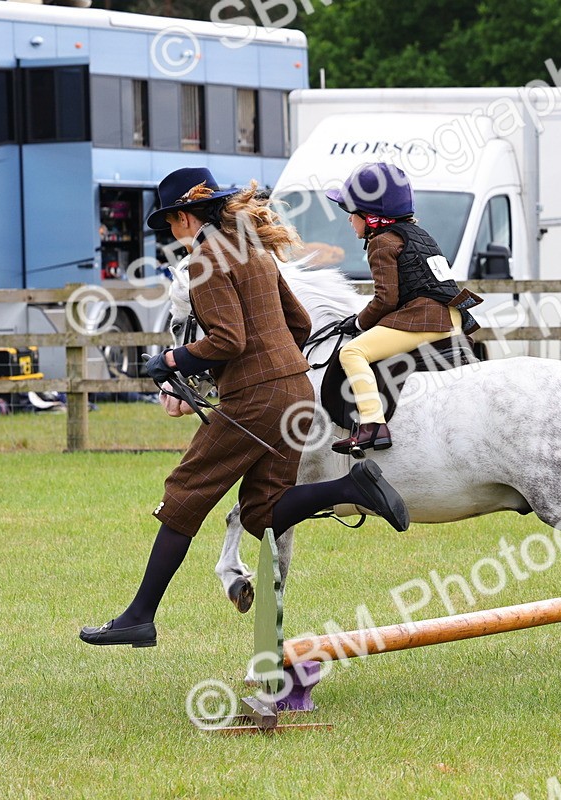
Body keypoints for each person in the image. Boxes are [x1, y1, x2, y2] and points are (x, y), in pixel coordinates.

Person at [80, 167, 410, 648]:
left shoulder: (204, 262)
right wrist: (271, 365)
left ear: (186, 217)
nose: (172, 233)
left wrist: (171, 359)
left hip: (256, 400)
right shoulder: (254, 251)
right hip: (295, 390)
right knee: (264, 511)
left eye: (170, 223)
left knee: (183, 495)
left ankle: (139, 617)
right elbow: (299, 323)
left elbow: (227, 340)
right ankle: (351, 486)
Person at [325, 162, 482, 454]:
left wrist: (358, 324)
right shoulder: (419, 234)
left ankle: (372, 425)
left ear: (370, 217)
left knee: (352, 352)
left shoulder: (382, 243)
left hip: (425, 320)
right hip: (454, 318)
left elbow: (385, 300)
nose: (349, 220)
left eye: (352, 213)